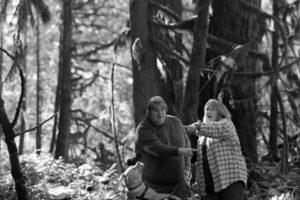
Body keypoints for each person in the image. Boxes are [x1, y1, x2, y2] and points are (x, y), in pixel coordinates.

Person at [185, 99, 247, 200]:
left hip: (230, 179)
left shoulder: (226, 124)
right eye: (207, 109)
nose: (208, 112)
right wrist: (199, 184)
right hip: (210, 186)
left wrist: (195, 126)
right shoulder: (202, 138)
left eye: (213, 109)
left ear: (220, 112)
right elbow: (201, 162)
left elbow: (216, 129)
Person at [135, 96, 196, 200]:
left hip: (179, 184)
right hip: (152, 187)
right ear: (148, 112)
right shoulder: (143, 129)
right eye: (156, 110)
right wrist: (180, 151)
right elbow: (157, 149)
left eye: (162, 109)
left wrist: (187, 168)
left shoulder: (176, 122)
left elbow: (186, 143)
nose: (160, 113)